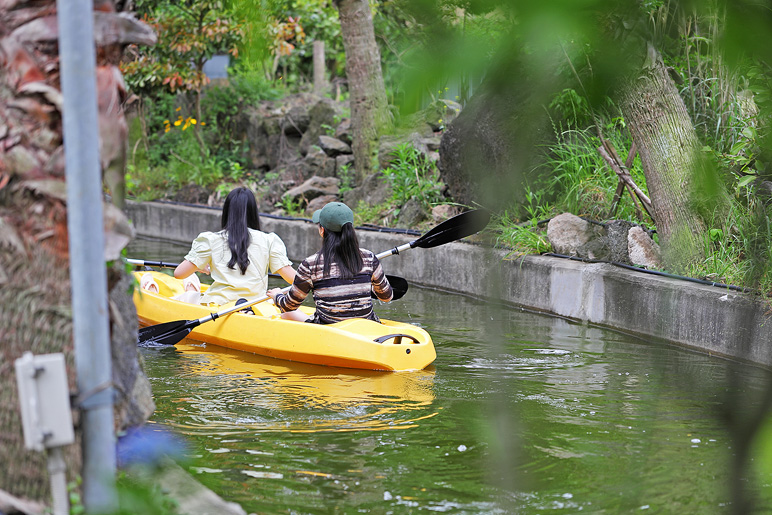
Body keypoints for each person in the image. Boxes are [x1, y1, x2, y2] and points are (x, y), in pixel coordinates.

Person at [267, 201, 392, 323]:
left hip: (329, 329)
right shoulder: (369, 257)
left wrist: (277, 295)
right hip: (367, 327)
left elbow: (288, 306)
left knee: (287, 314)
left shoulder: (310, 264)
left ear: (322, 231)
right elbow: (387, 297)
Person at [174, 187, 295, 306]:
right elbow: (293, 279)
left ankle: (190, 288)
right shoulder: (270, 240)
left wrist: (199, 267)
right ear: (253, 212)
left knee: (189, 289)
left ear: (227, 212)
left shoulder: (210, 240)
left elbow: (179, 273)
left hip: (218, 305)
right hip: (256, 305)